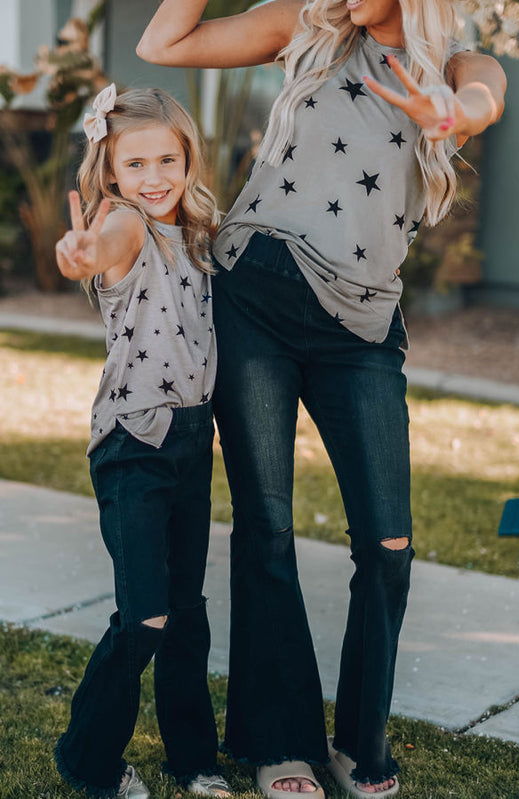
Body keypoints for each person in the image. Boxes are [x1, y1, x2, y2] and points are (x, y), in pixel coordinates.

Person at [138, 2, 506, 797]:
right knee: (265, 528)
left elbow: (482, 99)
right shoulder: (302, 28)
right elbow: (159, 41)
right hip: (254, 297)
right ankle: (281, 744)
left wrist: (451, 110)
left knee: (387, 545)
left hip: (363, 328)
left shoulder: (454, 64)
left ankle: (358, 742)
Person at [54, 83, 231, 799]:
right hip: (133, 442)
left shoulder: (198, 236)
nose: (153, 178)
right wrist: (85, 250)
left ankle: (195, 760)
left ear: (188, 160)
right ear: (111, 174)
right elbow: (109, 244)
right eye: (135, 165)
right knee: (147, 614)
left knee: (184, 613)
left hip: (191, 441)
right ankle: (88, 757)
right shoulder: (124, 225)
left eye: (167, 160)